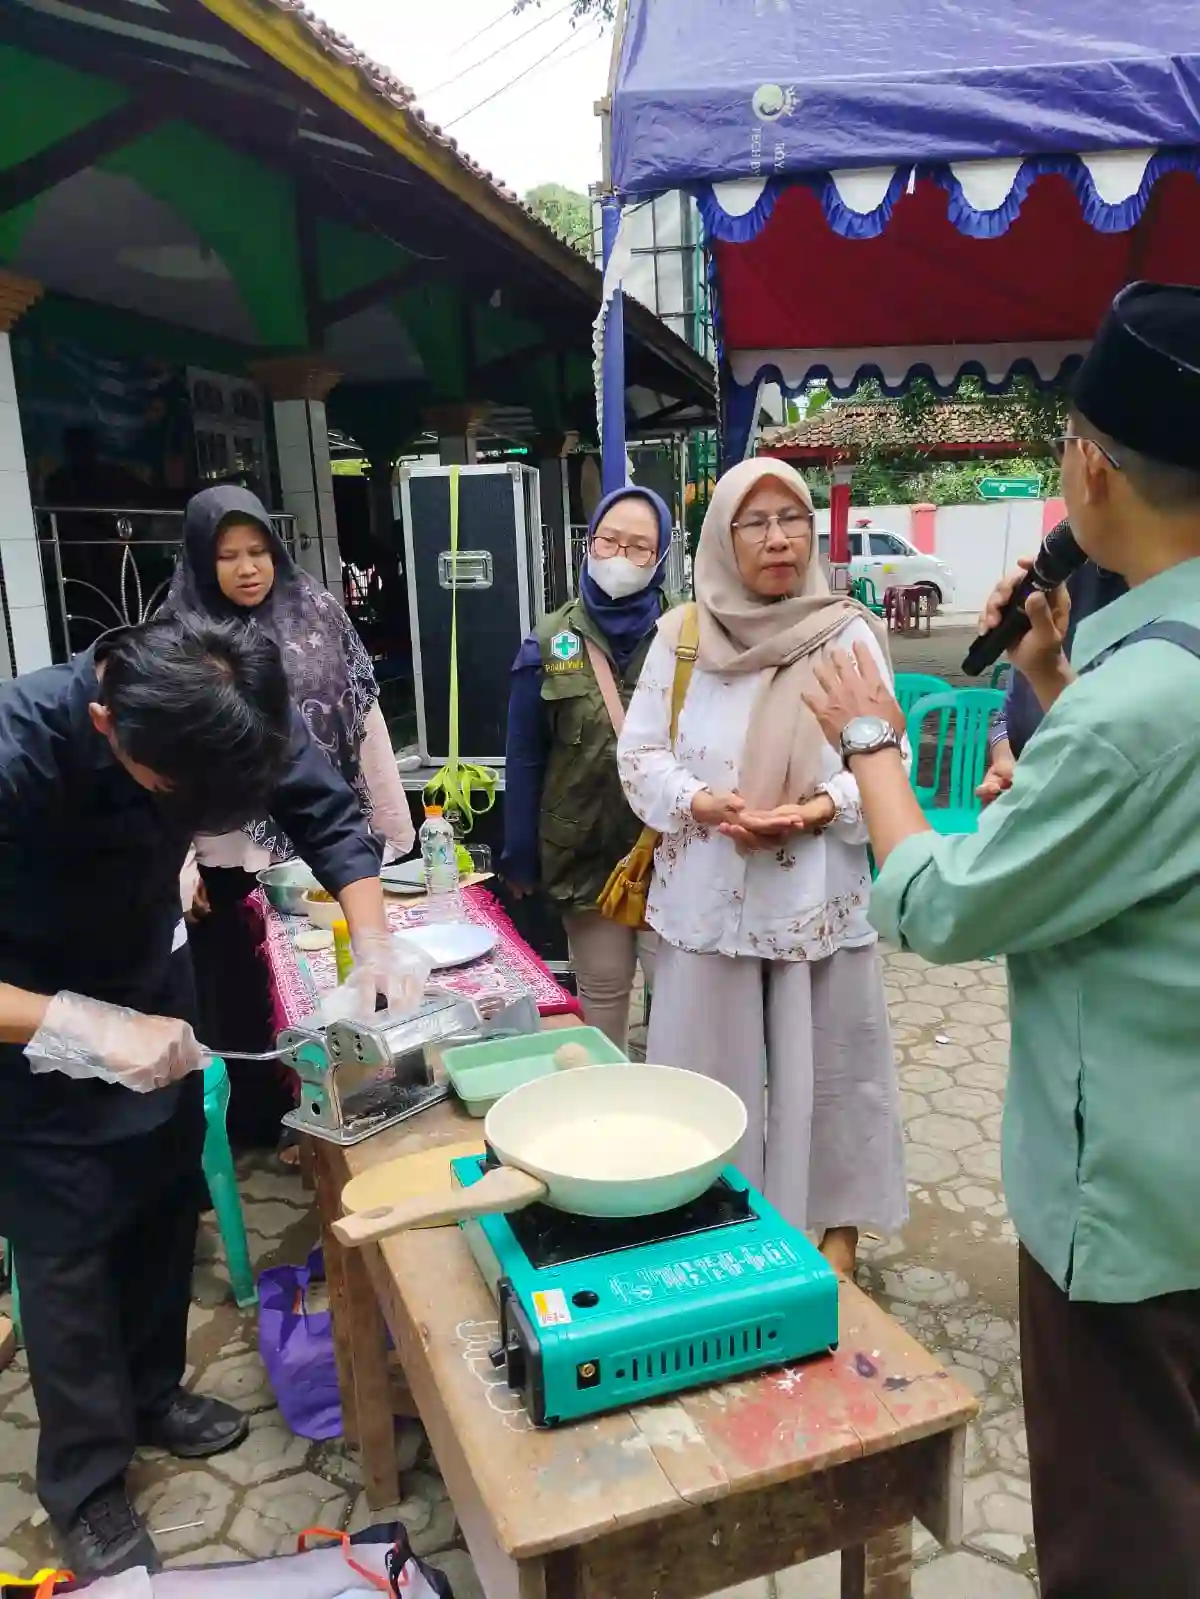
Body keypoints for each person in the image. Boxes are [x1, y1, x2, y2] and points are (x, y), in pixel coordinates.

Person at [801, 282, 1200, 1597]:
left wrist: (871, 741)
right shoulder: (1143, 682)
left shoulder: (1141, 708)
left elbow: (945, 905)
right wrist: (1045, 681)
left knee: (1128, 1527)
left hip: (1134, 1215)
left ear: (1092, 470)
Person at [0, 611, 410, 1579]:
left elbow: (327, 817)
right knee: (68, 1256)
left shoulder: (229, 701)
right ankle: (86, 1481)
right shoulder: (16, 751)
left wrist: (375, 946)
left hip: (152, 988)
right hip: (30, 1029)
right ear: (109, 725)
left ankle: (152, 1395)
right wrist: (77, 1025)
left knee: (161, 1203)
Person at [616, 458, 907, 1278]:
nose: (779, 538)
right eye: (757, 522)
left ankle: (835, 1231)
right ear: (723, 536)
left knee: (834, 1073)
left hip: (817, 897)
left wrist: (816, 809)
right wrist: (705, 802)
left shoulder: (848, 634)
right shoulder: (683, 636)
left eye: (793, 519)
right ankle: (710, 1226)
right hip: (709, 896)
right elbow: (640, 756)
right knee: (705, 1077)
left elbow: (889, 759)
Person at [165, 485, 414, 1144]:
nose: (248, 568)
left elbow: (363, 717)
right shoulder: (177, 637)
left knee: (325, 976)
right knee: (238, 990)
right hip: (226, 849)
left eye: (258, 551)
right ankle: (258, 1123)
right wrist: (179, 862)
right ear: (200, 559)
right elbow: (163, 771)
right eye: (227, 556)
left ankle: (332, 1107)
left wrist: (389, 822)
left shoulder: (317, 612)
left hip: (315, 839)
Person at [500, 486, 673, 1050]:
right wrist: (519, 851)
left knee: (680, 1000)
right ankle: (608, 1101)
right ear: (588, 545)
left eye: (639, 547)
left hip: (671, 853)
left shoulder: (688, 636)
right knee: (602, 991)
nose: (621, 557)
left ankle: (674, 1097)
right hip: (583, 854)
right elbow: (525, 754)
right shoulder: (550, 641)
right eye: (608, 541)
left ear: (660, 557)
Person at [978, 541, 1126, 804]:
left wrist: (884, 744)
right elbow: (1009, 713)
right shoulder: (1069, 577)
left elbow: (1129, 762)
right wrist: (1005, 761)